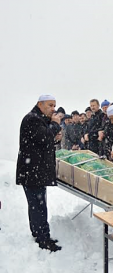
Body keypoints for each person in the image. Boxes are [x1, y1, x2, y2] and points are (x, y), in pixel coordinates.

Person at [16, 95, 62, 252]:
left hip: (34, 172)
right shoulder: (32, 119)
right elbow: (44, 138)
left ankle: (38, 233)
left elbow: (44, 141)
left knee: (36, 205)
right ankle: (44, 239)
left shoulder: (38, 119)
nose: (53, 108)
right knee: (38, 206)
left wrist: (55, 136)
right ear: (40, 104)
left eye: (54, 105)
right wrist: (55, 126)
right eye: (50, 105)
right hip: (32, 172)